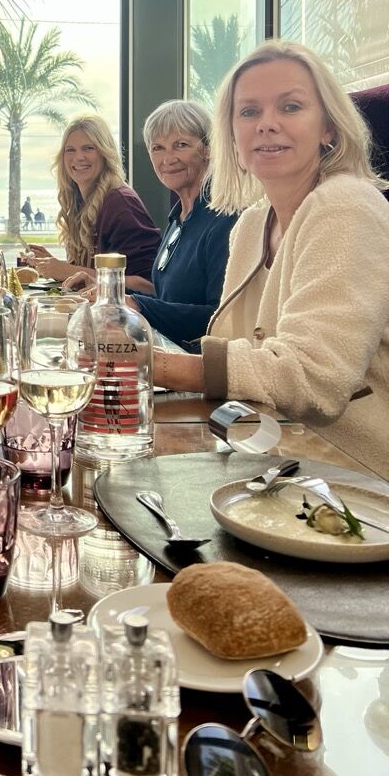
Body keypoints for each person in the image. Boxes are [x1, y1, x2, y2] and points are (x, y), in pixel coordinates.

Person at [155, 41, 389, 478]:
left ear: (328, 128)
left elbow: (314, 378)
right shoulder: (250, 224)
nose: (266, 124)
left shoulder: (347, 205)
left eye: (290, 106)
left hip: (357, 480)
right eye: (249, 112)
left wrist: (157, 365)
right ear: (232, 136)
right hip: (274, 460)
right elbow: (237, 347)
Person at [126, 101, 237, 350]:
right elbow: (169, 298)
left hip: (196, 366)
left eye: (181, 145)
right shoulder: (179, 218)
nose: (168, 159)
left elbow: (219, 319)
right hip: (166, 352)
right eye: (158, 148)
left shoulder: (225, 219)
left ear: (208, 149)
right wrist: (110, 294)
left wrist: (139, 306)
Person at [25, 115, 160, 286]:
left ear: (105, 153)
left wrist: (67, 270)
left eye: (88, 148)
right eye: (70, 150)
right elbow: (88, 278)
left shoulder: (121, 203)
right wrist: (55, 267)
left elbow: (148, 286)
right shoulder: (78, 202)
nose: (78, 157)